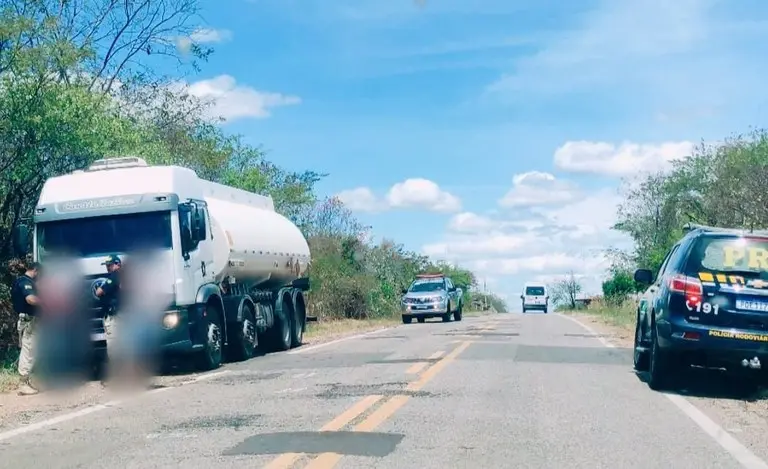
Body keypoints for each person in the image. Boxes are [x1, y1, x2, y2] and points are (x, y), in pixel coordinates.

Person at [10, 260, 41, 396]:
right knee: (28, 350)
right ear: (35, 270)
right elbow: (30, 299)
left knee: (31, 350)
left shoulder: (23, 281)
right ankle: (23, 383)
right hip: (28, 321)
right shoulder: (25, 282)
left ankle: (26, 381)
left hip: (30, 321)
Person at [95, 254, 122, 357]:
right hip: (121, 314)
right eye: (107, 265)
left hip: (113, 316)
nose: (107, 267)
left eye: (110, 265)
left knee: (113, 344)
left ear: (117, 264)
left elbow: (98, 292)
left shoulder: (114, 277)